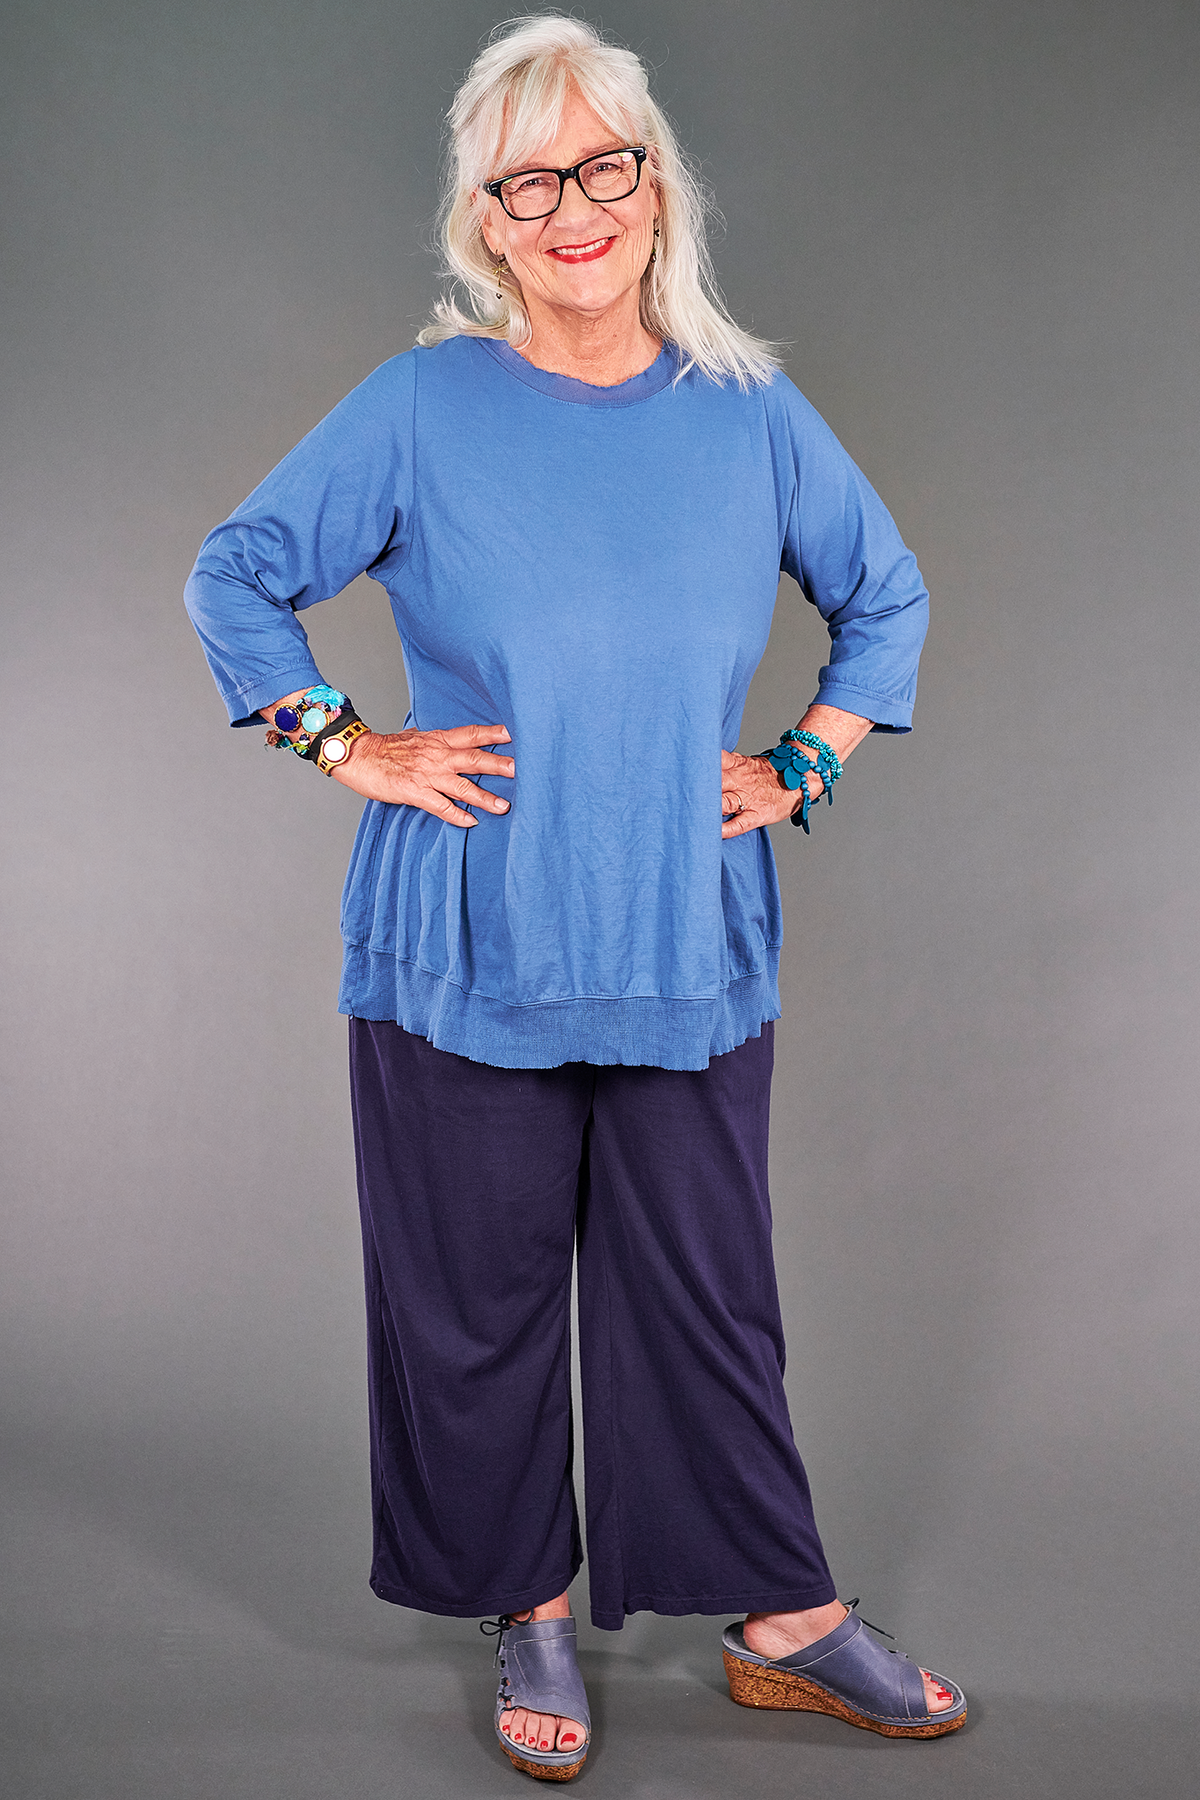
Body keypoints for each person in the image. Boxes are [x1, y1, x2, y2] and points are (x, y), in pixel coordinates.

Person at [185, 12, 965, 1781]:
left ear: (657, 187)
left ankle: (780, 1612)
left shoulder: (751, 415)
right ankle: (524, 1599)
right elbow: (236, 573)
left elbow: (887, 596)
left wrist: (807, 760)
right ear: (486, 221)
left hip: (682, 931)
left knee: (710, 1293)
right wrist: (344, 743)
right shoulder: (421, 406)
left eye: (603, 166)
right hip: (469, 934)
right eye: (527, 182)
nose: (572, 208)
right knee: (475, 1294)